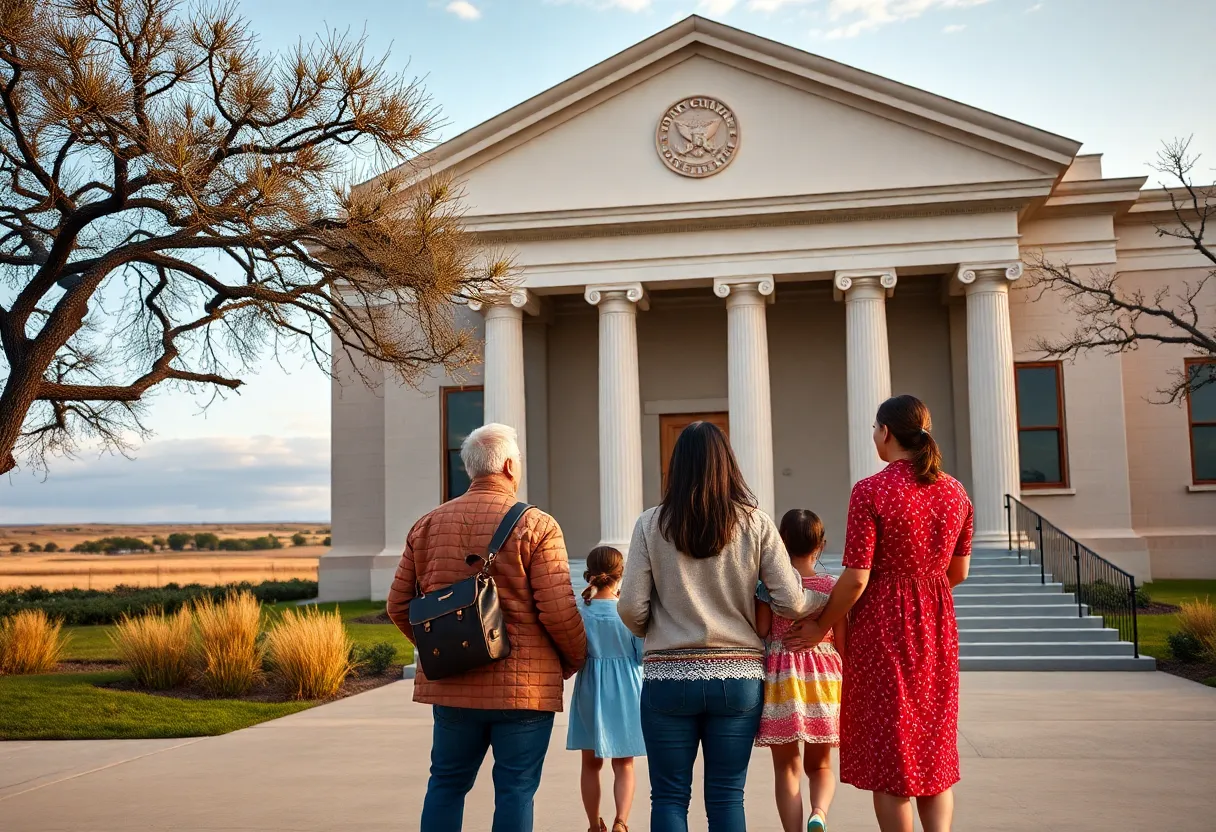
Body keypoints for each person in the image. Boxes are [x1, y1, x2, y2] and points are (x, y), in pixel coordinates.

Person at [617, 420, 829, 832]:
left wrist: (654, 630)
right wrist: (828, 601)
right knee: (728, 794)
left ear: (676, 467)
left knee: (669, 796)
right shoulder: (756, 522)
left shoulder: (650, 523)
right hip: (738, 678)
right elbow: (790, 599)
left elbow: (629, 607)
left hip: (667, 675)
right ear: (727, 464)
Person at [385, 422, 588, 832]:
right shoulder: (539, 526)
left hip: (453, 685)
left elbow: (398, 605)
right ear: (511, 466)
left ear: (471, 470)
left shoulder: (426, 525)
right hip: (523, 690)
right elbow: (558, 610)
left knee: (445, 784)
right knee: (515, 790)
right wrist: (571, 660)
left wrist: (438, 647)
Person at [784, 395, 973, 832]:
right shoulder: (955, 492)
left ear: (886, 433)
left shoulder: (871, 491)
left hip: (884, 629)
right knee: (932, 750)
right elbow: (958, 571)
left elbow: (855, 579)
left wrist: (820, 626)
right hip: (937, 628)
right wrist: (924, 588)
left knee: (892, 757)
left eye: (875, 428)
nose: (874, 436)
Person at [754, 509, 845, 832]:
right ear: (820, 545)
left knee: (786, 768)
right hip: (823, 678)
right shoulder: (833, 586)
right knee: (820, 765)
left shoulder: (770, 586)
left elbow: (763, 629)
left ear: (780, 543)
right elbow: (843, 642)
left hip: (782, 678)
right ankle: (818, 814)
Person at [567, 545, 645, 832]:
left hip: (590, 684)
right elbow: (640, 655)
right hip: (625, 685)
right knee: (624, 763)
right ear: (620, 574)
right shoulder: (628, 610)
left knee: (590, 763)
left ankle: (593, 824)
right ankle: (621, 822)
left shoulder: (578, 609)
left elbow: (574, 651)